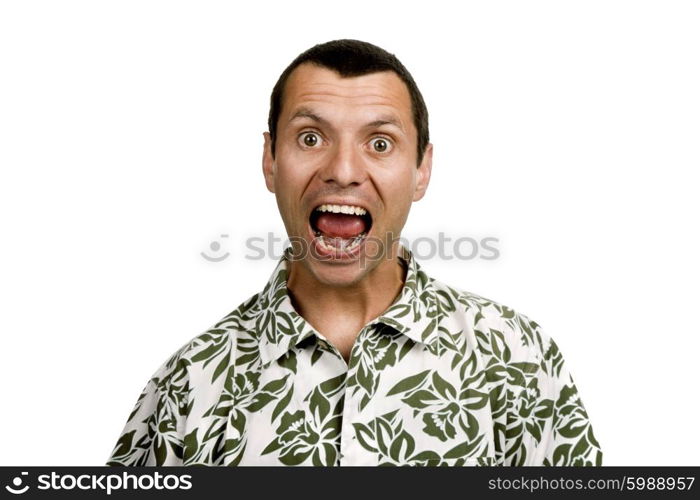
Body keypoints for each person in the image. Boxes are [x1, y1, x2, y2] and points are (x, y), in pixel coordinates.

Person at [107, 39, 602, 466]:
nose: (343, 169)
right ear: (270, 161)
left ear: (422, 170)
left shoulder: (517, 359)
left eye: (380, 144)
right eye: (310, 137)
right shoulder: (191, 383)